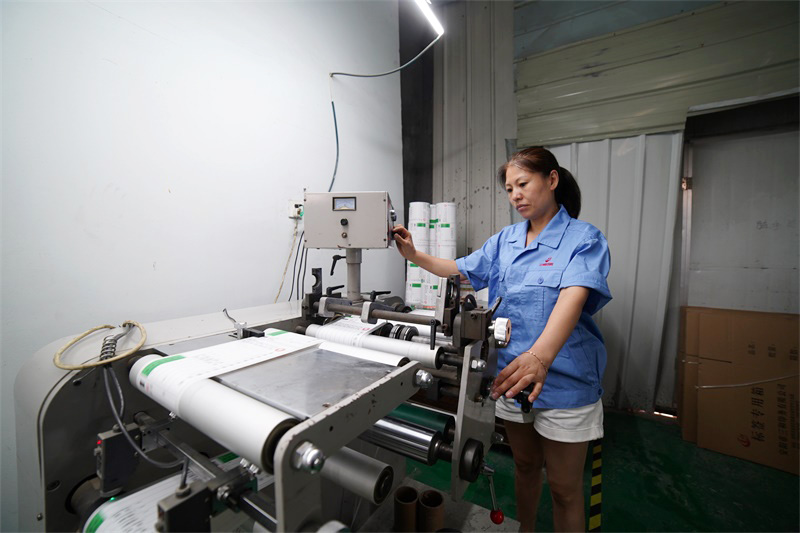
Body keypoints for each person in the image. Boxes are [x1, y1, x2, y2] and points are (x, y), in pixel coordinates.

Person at [392, 146, 611, 532]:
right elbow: (457, 269)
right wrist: (414, 255)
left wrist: (539, 358)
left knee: (564, 489)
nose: (516, 195)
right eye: (509, 189)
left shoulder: (583, 239)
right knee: (525, 466)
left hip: (565, 382)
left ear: (552, 179)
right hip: (512, 377)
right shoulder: (505, 241)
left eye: (523, 184)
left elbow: (573, 298)